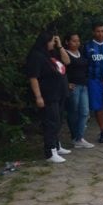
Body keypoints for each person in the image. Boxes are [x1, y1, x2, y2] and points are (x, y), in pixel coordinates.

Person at [26, 31, 71, 163]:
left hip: (59, 93)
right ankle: (50, 151)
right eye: (51, 41)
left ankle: (56, 145)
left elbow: (67, 61)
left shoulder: (51, 54)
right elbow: (33, 77)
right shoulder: (36, 56)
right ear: (45, 42)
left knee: (58, 121)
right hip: (48, 95)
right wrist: (38, 97)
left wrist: (60, 46)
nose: (53, 43)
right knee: (51, 122)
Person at [64, 33, 94, 149]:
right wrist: (66, 83)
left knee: (85, 111)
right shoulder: (65, 53)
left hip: (83, 85)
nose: (77, 43)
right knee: (73, 112)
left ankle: (79, 137)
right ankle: (75, 136)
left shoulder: (81, 52)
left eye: (78, 41)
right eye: (74, 41)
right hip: (73, 86)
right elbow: (62, 68)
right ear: (67, 42)